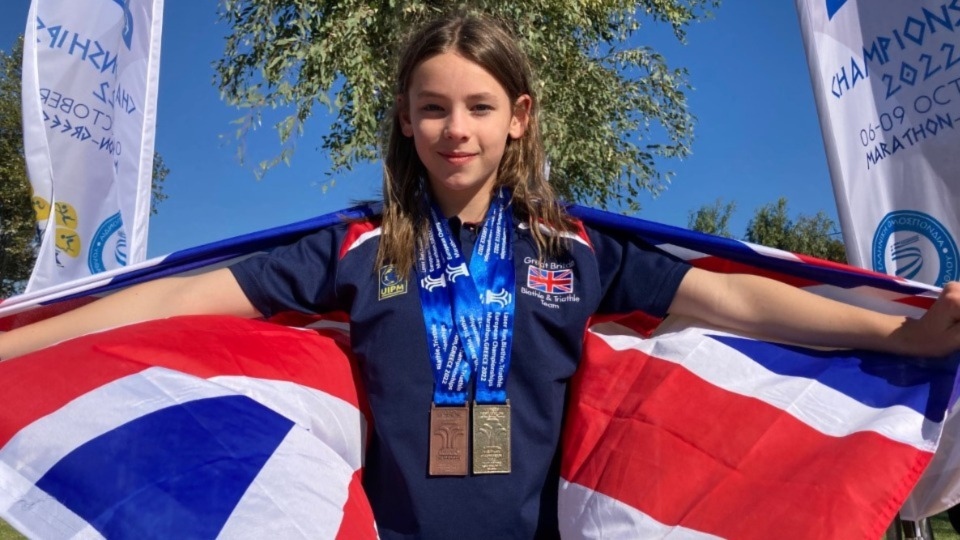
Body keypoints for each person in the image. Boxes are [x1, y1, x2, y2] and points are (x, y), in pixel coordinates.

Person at [3, 12, 960, 540]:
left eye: (478, 106)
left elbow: (741, 299)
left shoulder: (575, 249)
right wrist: (23, 339)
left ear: (520, 118)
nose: (454, 129)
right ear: (407, 121)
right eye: (431, 108)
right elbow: (173, 300)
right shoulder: (353, 248)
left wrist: (900, 336)